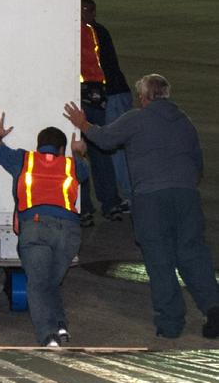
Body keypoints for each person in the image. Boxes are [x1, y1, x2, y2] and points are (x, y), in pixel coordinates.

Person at [64, 75, 219, 340]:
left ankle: (171, 323)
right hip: (186, 196)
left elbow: (105, 139)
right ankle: (214, 311)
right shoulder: (185, 122)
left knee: (159, 260)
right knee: (193, 254)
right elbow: (198, 164)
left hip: (151, 198)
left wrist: (83, 124)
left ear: (144, 98)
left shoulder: (136, 118)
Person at [0, 110, 89, 347]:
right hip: (69, 233)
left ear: (38, 146)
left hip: (36, 228)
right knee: (49, 282)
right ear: (61, 150)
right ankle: (61, 327)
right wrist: (78, 152)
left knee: (38, 283)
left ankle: (48, 336)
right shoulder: (72, 166)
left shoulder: (24, 160)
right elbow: (83, 170)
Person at [81, 0, 133, 202]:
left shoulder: (94, 33)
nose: (82, 14)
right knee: (111, 149)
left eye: (86, 10)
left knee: (115, 149)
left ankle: (128, 195)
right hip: (109, 95)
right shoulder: (95, 31)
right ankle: (119, 197)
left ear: (93, 12)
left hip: (112, 95)